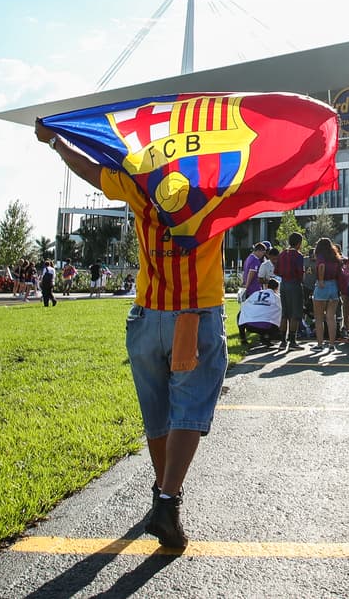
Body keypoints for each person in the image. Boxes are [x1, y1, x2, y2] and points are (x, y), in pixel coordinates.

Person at [36, 119, 228, 550]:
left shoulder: (139, 185)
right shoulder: (215, 188)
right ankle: (166, 500)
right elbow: (268, 175)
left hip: (147, 316)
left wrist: (56, 142)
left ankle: (163, 496)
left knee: (158, 414)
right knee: (189, 410)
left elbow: (88, 170)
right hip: (193, 317)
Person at [276, 234, 307, 351]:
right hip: (294, 284)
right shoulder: (298, 256)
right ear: (299, 243)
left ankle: (282, 341)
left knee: (285, 313)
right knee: (295, 313)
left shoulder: (282, 254)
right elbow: (300, 273)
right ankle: (292, 340)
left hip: (283, 284)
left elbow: (277, 271)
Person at [311, 238, 342, 348]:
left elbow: (321, 266)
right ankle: (332, 344)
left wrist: (320, 279)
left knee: (319, 318)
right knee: (331, 317)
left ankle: (320, 344)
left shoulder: (320, 256)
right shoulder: (335, 257)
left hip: (322, 286)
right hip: (334, 286)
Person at [238, 277, 283, 348]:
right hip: (267, 327)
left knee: (240, 313)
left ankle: (243, 338)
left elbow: (244, 305)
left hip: (250, 325)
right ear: (277, 288)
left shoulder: (256, 293)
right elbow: (282, 310)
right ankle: (266, 336)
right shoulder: (276, 297)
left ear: (267, 286)